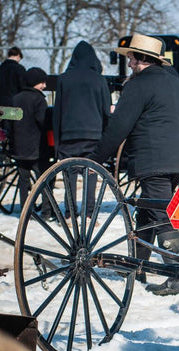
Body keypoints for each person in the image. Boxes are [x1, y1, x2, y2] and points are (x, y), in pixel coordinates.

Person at [89, 33, 179, 296]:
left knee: (161, 214)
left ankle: (178, 276)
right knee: (147, 208)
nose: (128, 63)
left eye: (130, 57)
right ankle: (137, 265)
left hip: (154, 161)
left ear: (141, 58)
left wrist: (95, 158)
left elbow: (118, 127)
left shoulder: (137, 86)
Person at [53, 41, 111, 222]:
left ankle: (70, 212)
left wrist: (57, 140)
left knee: (69, 173)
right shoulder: (100, 80)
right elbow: (105, 109)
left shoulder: (63, 79)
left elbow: (58, 110)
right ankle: (89, 213)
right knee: (90, 173)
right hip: (93, 134)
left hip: (69, 134)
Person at [10, 68, 49, 211]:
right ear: (35, 83)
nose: (44, 86)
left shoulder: (16, 98)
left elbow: (9, 123)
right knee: (43, 178)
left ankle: (25, 210)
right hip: (36, 147)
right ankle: (46, 210)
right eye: (42, 82)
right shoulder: (39, 99)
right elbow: (42, 121)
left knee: (23, 179)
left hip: (19, 147)